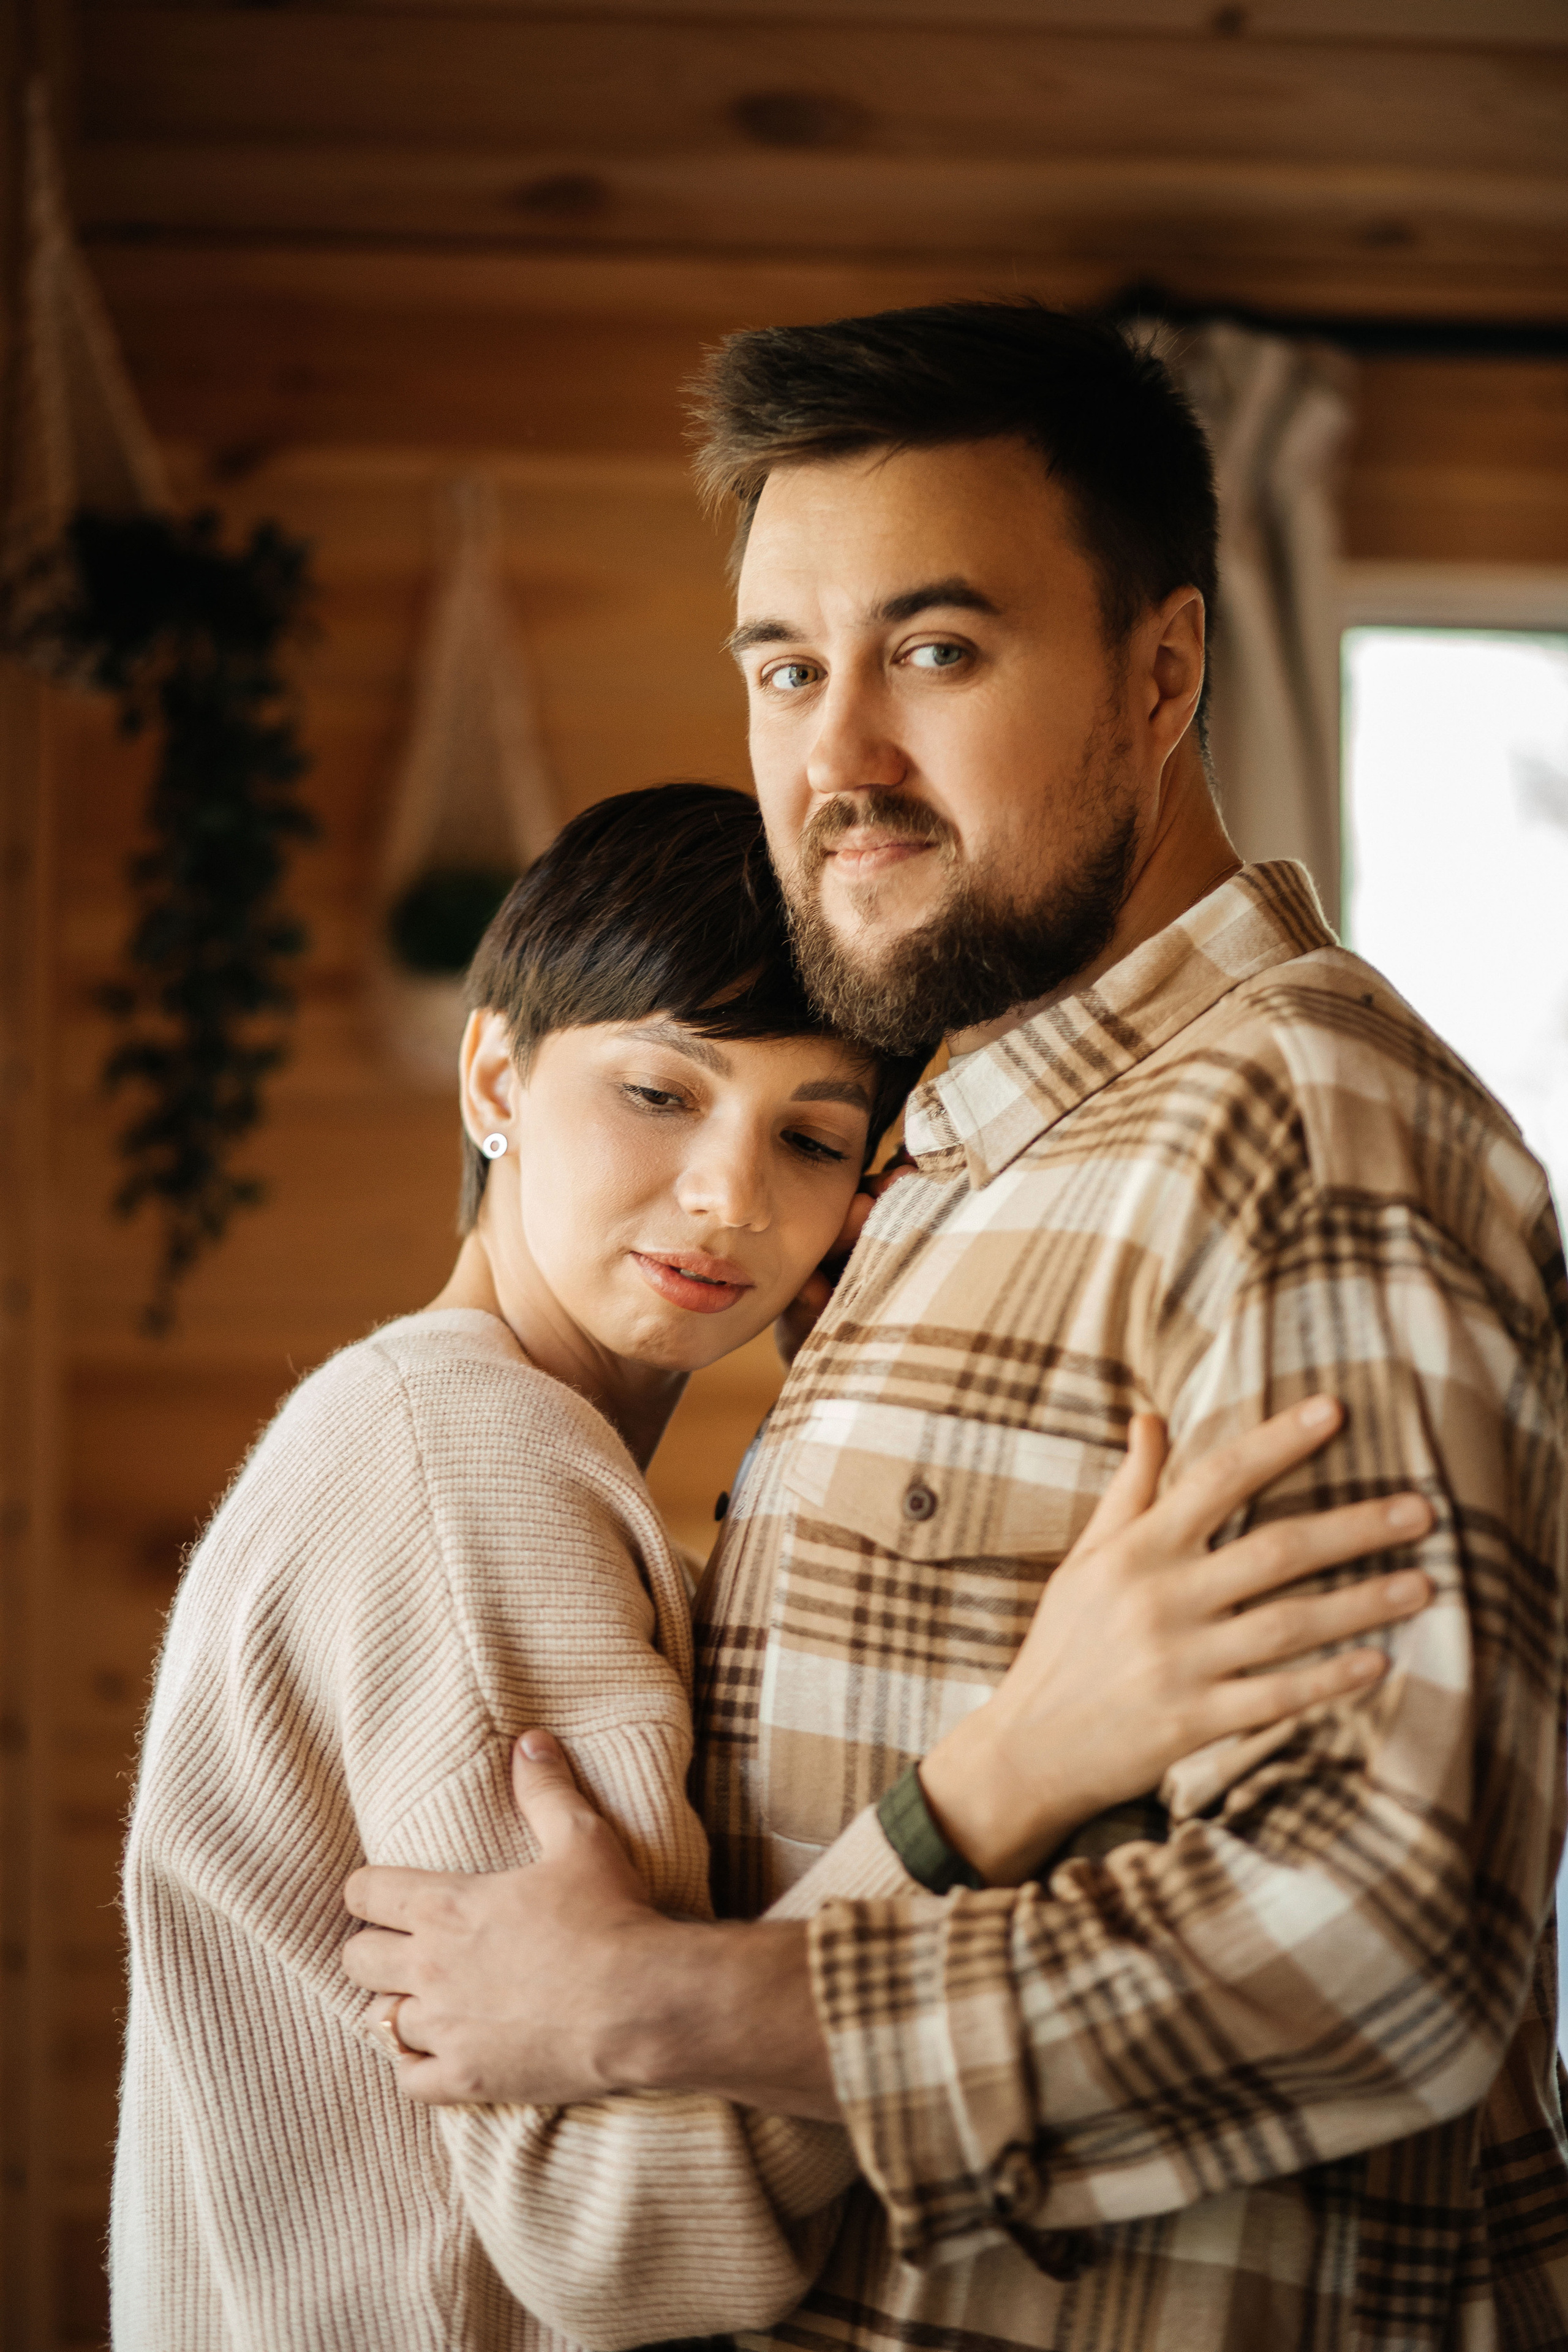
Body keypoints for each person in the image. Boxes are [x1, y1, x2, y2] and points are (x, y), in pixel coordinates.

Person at [344, 304, 1568, 2347]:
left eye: (935, 652)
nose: (837, 765)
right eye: (785, 669)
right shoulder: (946, 1153)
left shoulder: (1304, 1140)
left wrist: (676, 2009)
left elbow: (1383, 1942)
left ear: (1165, 670)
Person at [111, 781, 1422, 2352]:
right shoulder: (471, 1470)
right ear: (494, 1078)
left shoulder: (426, 1428)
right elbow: (623, 2235)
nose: (732, 1197)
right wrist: (1012, 1767)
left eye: (808, 1136)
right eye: (659, 1094)